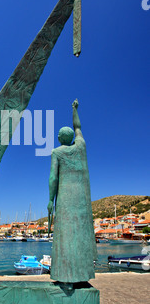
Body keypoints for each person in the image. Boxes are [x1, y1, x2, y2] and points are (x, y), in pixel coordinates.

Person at [47, 99, 97, 284]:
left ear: (60, 139)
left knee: (65, 237)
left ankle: (64, 276)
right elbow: (78, 127)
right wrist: (75, 110)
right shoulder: (80, 147)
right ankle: (82, 275)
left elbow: (53, 178)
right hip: (81, 201)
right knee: (80, 235)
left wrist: (50, 200)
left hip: (66, 200)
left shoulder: (57, 152)